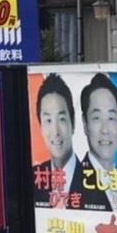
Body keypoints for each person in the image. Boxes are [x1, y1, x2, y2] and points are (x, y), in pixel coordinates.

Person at [74, 72, 117, 212]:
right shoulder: (73, 183)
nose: (105, 130)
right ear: (85, 124)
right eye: (97, 118)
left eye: (111, 118)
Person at [32, 74, 77, 208]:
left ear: (73, 123)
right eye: (48, 121)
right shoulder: (33, 178)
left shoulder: (94, 179)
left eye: (61, 119)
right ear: (40, 126)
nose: (55, 131)